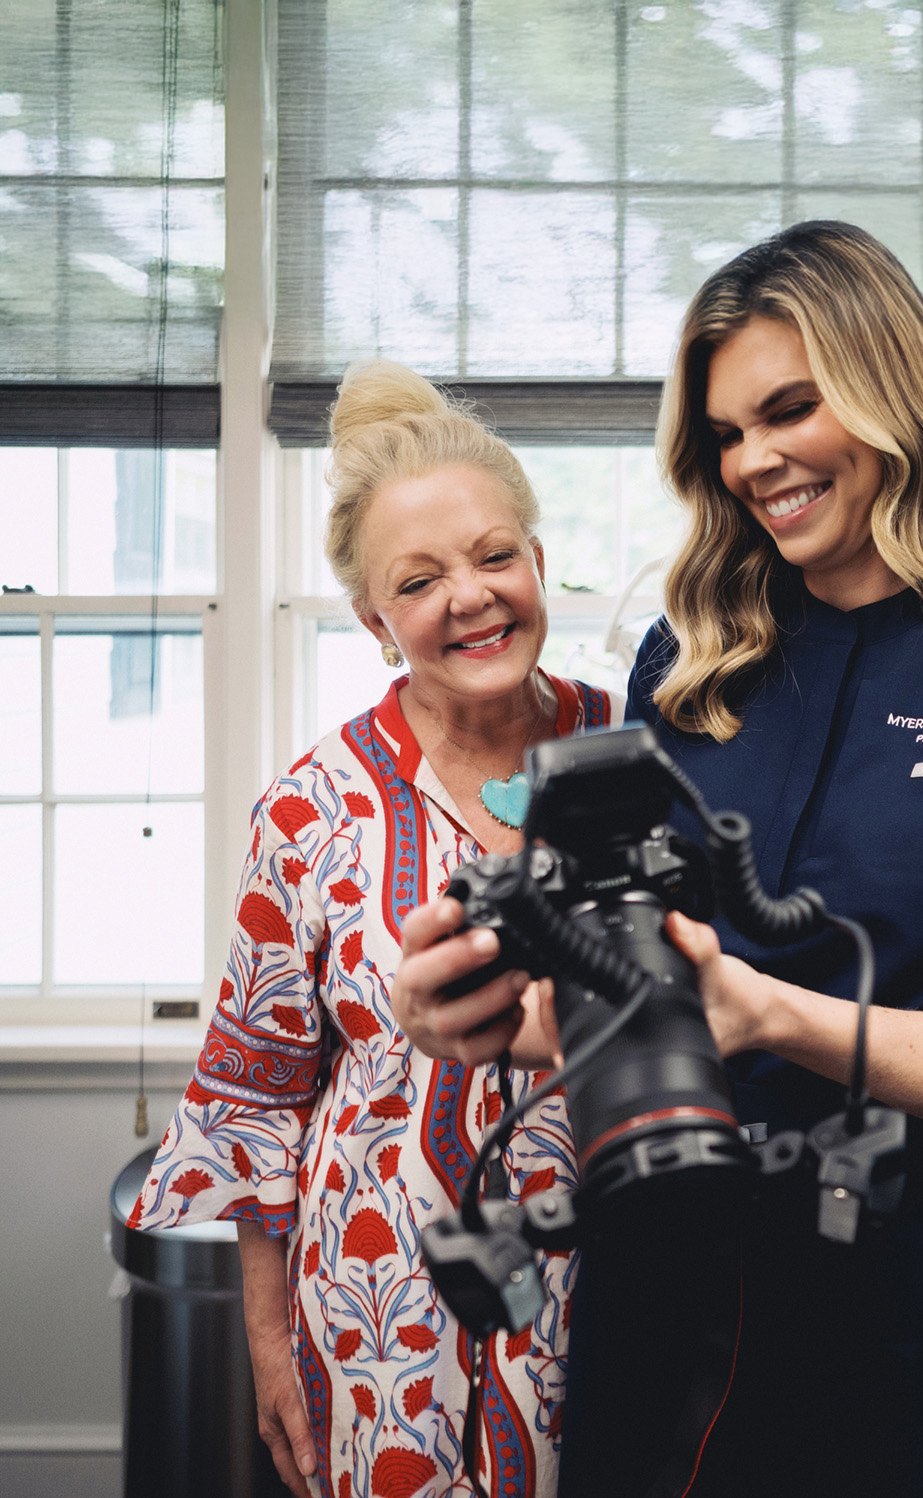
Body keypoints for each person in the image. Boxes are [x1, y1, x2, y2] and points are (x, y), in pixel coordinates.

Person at [393, 221, 923, 1497]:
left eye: (788, 410)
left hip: (914, 1297)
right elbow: (636, 988)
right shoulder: (686, 663)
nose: (753, 460)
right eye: (723, 434)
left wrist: (770, 1013)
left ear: (889, 392)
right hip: (668, 1289)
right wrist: (486, 1012)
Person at [131, 361, 617, 1498]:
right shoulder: (309, 809)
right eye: (422, 578)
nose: (472, 596)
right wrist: (269, 1339)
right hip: (381, 1321)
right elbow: (260, 1092)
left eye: (496, 556)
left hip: (618, 1289)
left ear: (539, 563)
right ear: (375, 618)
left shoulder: (643, 753)